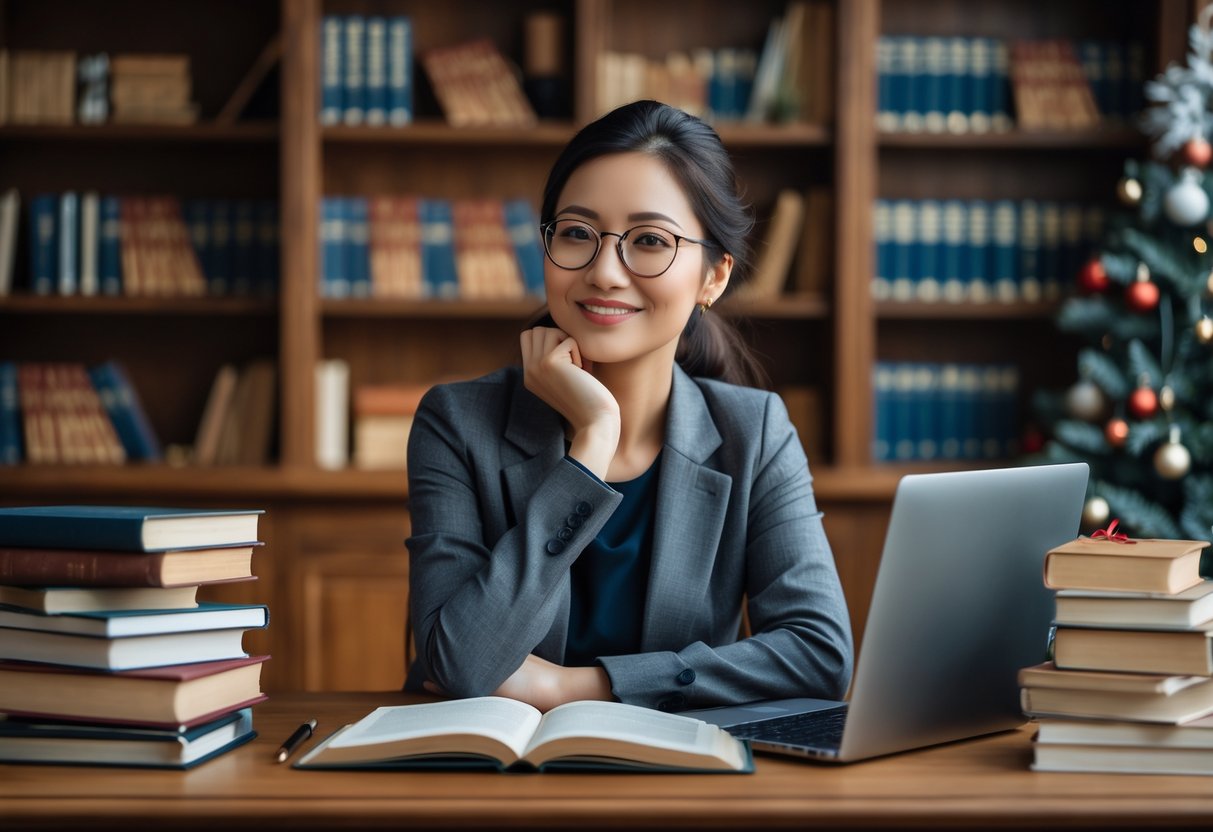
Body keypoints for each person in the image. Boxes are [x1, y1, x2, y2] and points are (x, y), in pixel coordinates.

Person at [405, 100, 852, 714]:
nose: (605, 272)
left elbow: (819, 653)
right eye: (577, 234)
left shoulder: (755, 431)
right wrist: (591, 443)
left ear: (713, 278)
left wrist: (577, 687)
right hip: (488, 783)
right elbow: (457, 663)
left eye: (648, 241)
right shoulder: (457, 422)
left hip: (678, 786)